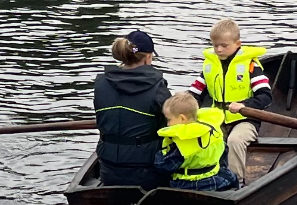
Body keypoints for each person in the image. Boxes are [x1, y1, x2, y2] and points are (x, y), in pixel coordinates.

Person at [188, 19, 271, 180]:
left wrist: (243, 105)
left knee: (235, 140)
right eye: (215, 45)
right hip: (216, 119)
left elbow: (266, 97)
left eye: (224, 46)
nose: (218, 50)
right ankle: (204, 178)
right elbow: (194, 93)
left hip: (245, 119)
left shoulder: (250, 66)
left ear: (237, 43)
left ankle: (235, 182)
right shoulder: (210, 66)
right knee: (202, 138)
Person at [94, 29, 172, 189]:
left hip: (108, 170)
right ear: (148, 57)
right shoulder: (158, 87)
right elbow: (171, 125)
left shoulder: (101, 83)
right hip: (148, 172)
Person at [156, 91, 239, 191]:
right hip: (214, 179)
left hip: (187, 184)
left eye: (169, 119)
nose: (168, 124)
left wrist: (160, 154)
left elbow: (164, 167)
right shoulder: (213, 130)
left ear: (182, 118)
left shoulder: (181, 141)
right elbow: (224, 152)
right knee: (232, 177)